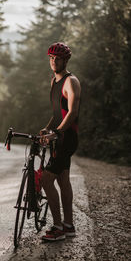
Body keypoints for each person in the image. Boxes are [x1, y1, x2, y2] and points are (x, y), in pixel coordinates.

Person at [40, 42, 81, 241]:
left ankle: (57, 227)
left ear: (65, 60)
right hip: (58, 135)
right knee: (63, 180)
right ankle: (69, 225)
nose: (54, 61)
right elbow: (57, 112)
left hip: (67, 138)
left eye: (57, 58)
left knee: (46, 179)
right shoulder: (53, 81)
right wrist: (48, 128)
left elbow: (72, 113)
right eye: (51, 58)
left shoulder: (71, 81)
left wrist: (56, 132)